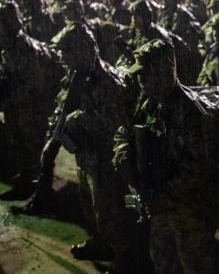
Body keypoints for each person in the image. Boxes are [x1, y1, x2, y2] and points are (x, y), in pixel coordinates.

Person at [113, 39, 219, 273]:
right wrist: (123, 155)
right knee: (162, 258)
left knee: (193, 264)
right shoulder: (149, 104)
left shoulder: (191, 112)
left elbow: (197, 171)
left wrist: (161, 199)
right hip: (160, 205)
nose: (141, 82)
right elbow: (124, 131)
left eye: (146, 76)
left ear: (163, 73)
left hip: (191, 210)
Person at [23, 16, 138, 272]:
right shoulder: (77, 78)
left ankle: (125, 255)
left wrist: (82, 119)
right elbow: (63, 109)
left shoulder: (108, 80)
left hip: (105, 159)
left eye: (68, 52)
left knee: (109, 212)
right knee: (89, 206)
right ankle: (101, 242)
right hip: (85, 156)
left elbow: (116, 120)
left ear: (83, 50)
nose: (64, 58)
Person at [0, 1, 64, 198]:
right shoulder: (9, 47)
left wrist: (10, 100)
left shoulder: (25, 48)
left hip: (32, 107)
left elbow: (35, 86)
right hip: (19, 107)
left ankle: (39, 189)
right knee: (18, 143)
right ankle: (27, 181)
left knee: (33, 145)